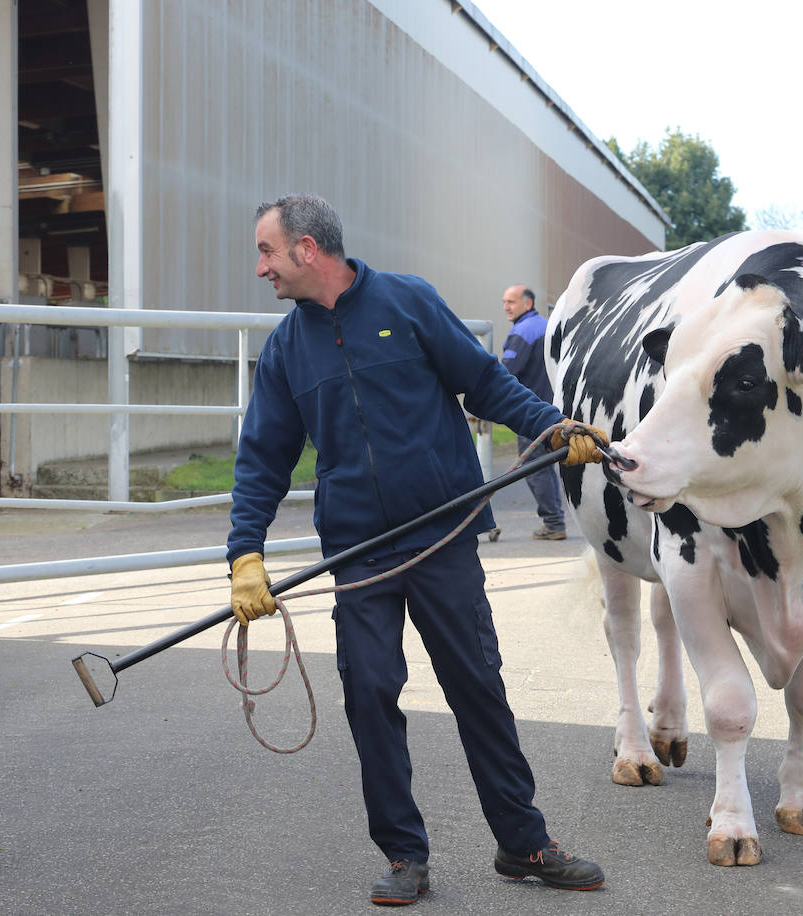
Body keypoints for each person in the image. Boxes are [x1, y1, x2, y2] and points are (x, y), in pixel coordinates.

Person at [228, 194, 609, 906]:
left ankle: (523, 843)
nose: (261, 268)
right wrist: (244, 555)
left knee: (477, 687)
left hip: (443, 535)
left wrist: (553, 427)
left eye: (267, 252)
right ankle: (404, 855)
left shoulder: (406, 303)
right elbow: (261, 460)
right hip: (359, 553)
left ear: (308, 249)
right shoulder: (285, 351)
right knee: (370, 695)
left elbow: (485, 382)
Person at [500, 284, 566, 539]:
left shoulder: (523, 331)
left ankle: (553, 523)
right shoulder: (547, 325)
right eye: (504, 302)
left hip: (530, 412)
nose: (506, 306)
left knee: (534, 467)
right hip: (552, 409)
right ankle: (555, 521)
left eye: (511, 302)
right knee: (546, 467)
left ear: (527, 304)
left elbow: (504, 374)